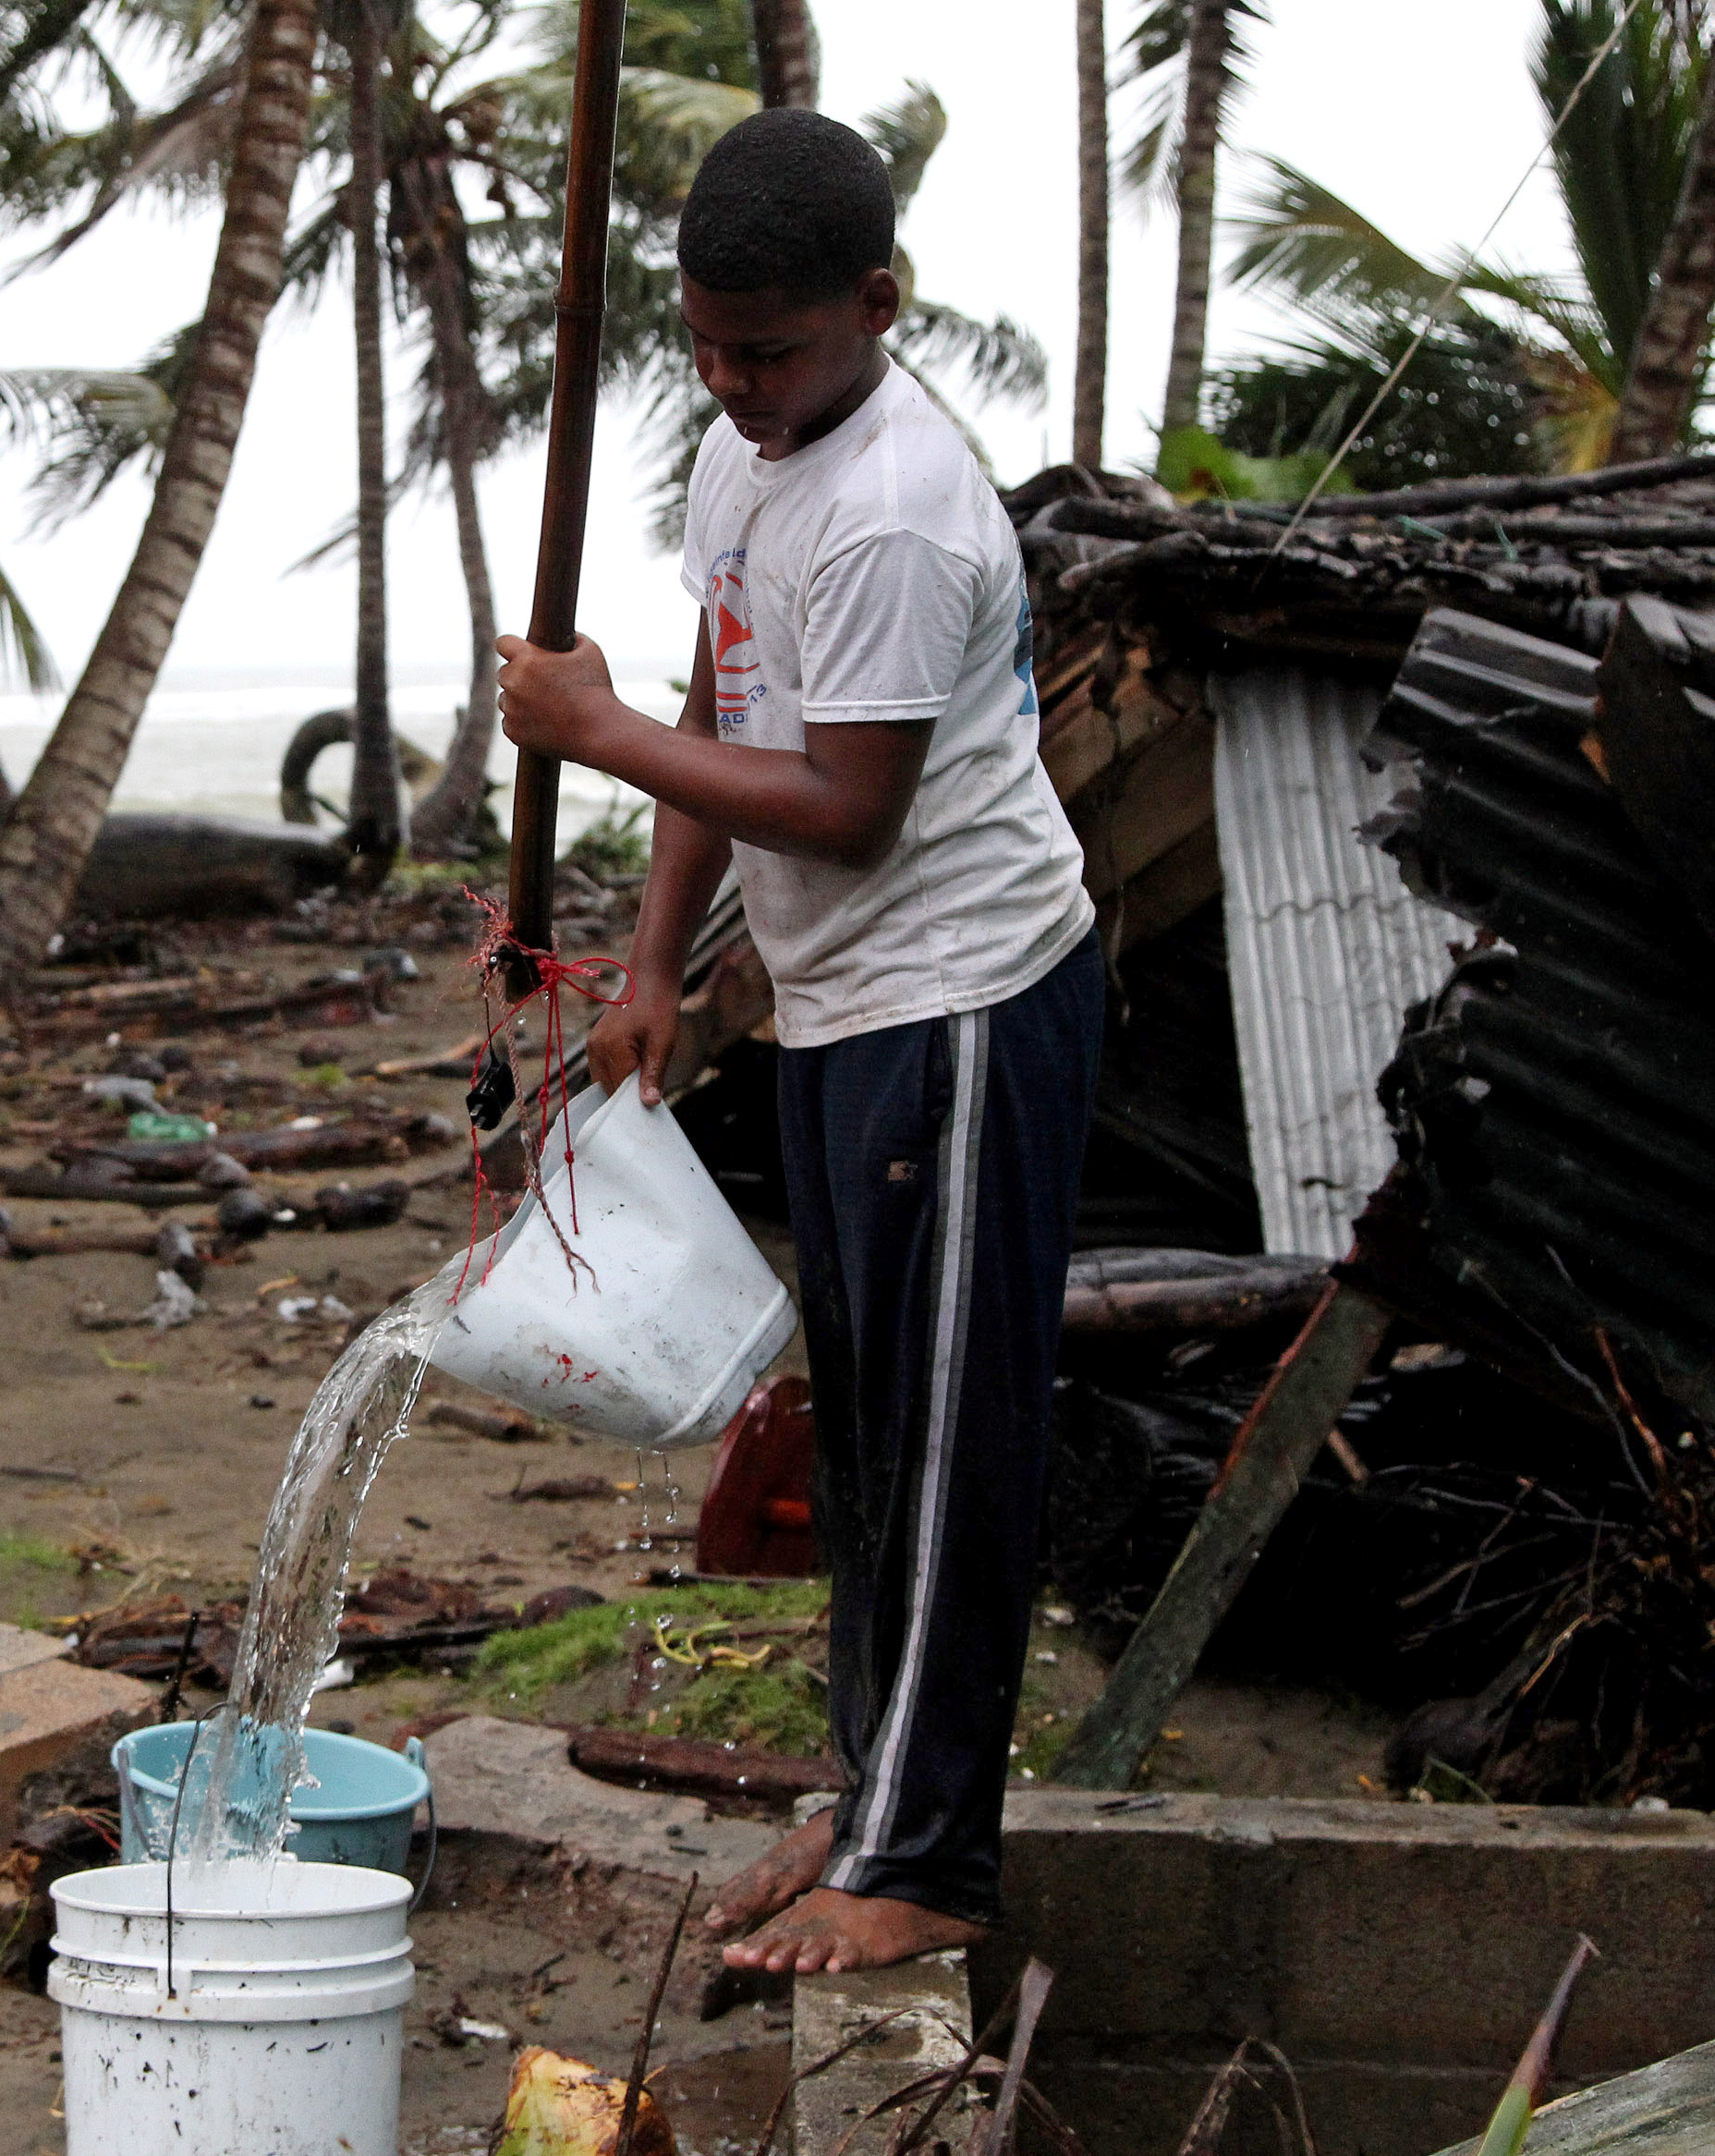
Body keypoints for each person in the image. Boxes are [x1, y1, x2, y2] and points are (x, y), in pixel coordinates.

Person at [492, 107, 1103, 1975]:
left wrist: (585, 741)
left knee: (946, 1435)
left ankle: (926, 1866)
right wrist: (659, 961)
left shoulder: (903, 506)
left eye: (768, 351)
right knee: (864, 1441)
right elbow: (720, 690)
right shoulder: (743, 455)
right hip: (842, 1001)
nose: (731, 382)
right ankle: (872, 1799)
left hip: (968, 998)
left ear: (875, 303)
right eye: (704, 342)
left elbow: (842, 805)